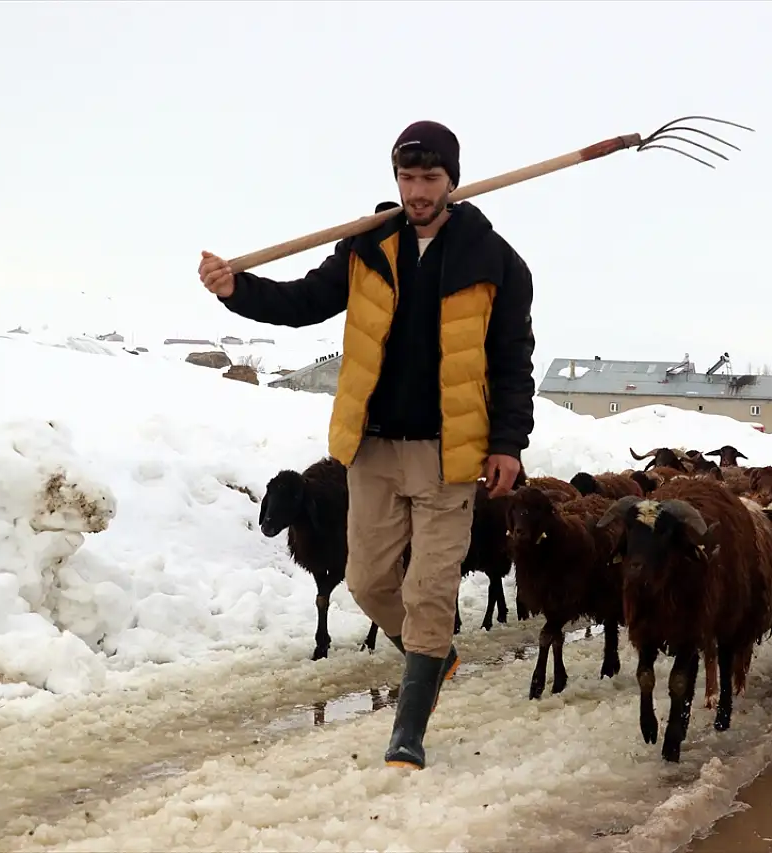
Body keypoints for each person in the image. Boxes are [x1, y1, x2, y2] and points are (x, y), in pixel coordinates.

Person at [198, 120, 536, 770]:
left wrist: (508, 444)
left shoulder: (493, 261)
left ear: (452, 182)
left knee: (430, 587)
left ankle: (408, 730)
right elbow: (302, 301)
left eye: (429, 179)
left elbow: (513, 362)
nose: (417, 191)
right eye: (407, 178)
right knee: (367, 578)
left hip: (449, 450)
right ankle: (432, 654)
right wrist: (237, 290)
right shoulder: (367, 245)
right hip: (373, 448)